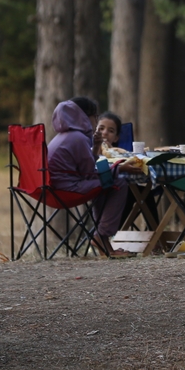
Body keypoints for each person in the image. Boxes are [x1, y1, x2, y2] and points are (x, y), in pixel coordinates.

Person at [47, 98, 141, 257]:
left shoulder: (64, 136)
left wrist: (96, 148)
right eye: (95, 117)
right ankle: (102, 236)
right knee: (118, 182)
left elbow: (87, 167)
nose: (95, 121)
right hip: (66, 190)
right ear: (84, 116)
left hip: (50, 188)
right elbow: (90, 172)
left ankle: (102, 237)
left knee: (106, 183)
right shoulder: (78, 138)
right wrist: (120, 168)